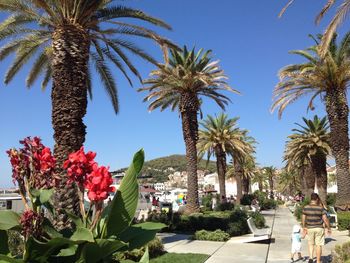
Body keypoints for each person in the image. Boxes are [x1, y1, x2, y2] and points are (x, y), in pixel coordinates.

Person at [302, 193, 331, 263]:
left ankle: (311, 258)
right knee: (319, 245)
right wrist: (329, 228)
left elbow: (303, 218)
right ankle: (318, 261)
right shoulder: (320, 208)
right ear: (317, 199)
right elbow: (325, 219)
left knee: (311, 244)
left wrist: (304, 227)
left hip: (310, 228)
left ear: (311, 199)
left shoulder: (306, 207)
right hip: (319, 228)